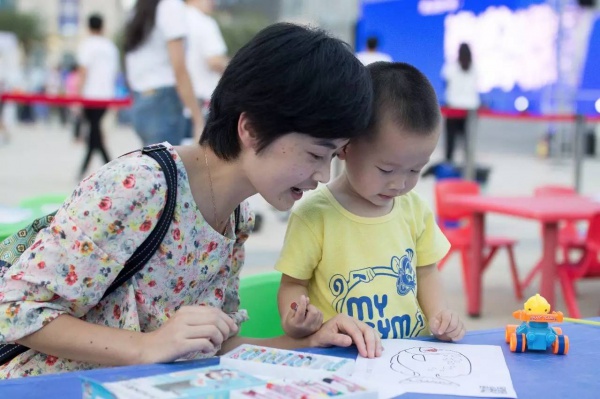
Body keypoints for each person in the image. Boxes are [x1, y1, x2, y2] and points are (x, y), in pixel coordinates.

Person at [0, 23, 381, 379]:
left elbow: (211, 346)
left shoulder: (238, 216)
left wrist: (307, 343)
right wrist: (146, 346)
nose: (324, 176)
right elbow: (14, 309)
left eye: (334, 157)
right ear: (250, 128)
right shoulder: (141, 185)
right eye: (316, 154)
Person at [275, 62, 466, 342]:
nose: (400, 183)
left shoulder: (415, 210)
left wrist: (441, 316)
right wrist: (297, 322)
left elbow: (426, 273)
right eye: (386, 170)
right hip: (344, 355)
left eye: (416, 170)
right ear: (345, 147)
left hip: (407, 355)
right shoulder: (314, 216)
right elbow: (293, 284)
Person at [124, 0, 204, 146]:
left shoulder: (139, 9)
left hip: (140, 100)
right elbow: (179, 68)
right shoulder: (170, 6)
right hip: (163, 102)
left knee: (154, 164)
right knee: (167, 165)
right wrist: (198, 118)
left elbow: (129, 62)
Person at [77, 14, 119, 179]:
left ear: (88, 27)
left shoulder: (87, 45)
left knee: (94, 132)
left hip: (90, 96)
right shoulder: (110, 47)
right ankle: (89, 167)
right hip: (106, 96)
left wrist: (78, 96)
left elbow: (83, 72)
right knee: (94, 132)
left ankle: (109, 166)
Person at [184, 0, 228, 113]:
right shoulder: (205, 23)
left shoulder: (174, 19)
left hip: (180, 102)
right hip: (202, 104)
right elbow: (215, 61)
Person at [441, 42, 480, 163]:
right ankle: (468, 165)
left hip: (453, 106)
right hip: (470, 107)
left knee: (450, 139)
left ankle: (448, 163)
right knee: (468, 140)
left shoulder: (450, 67)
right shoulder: (475, 68)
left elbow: (446, 84)